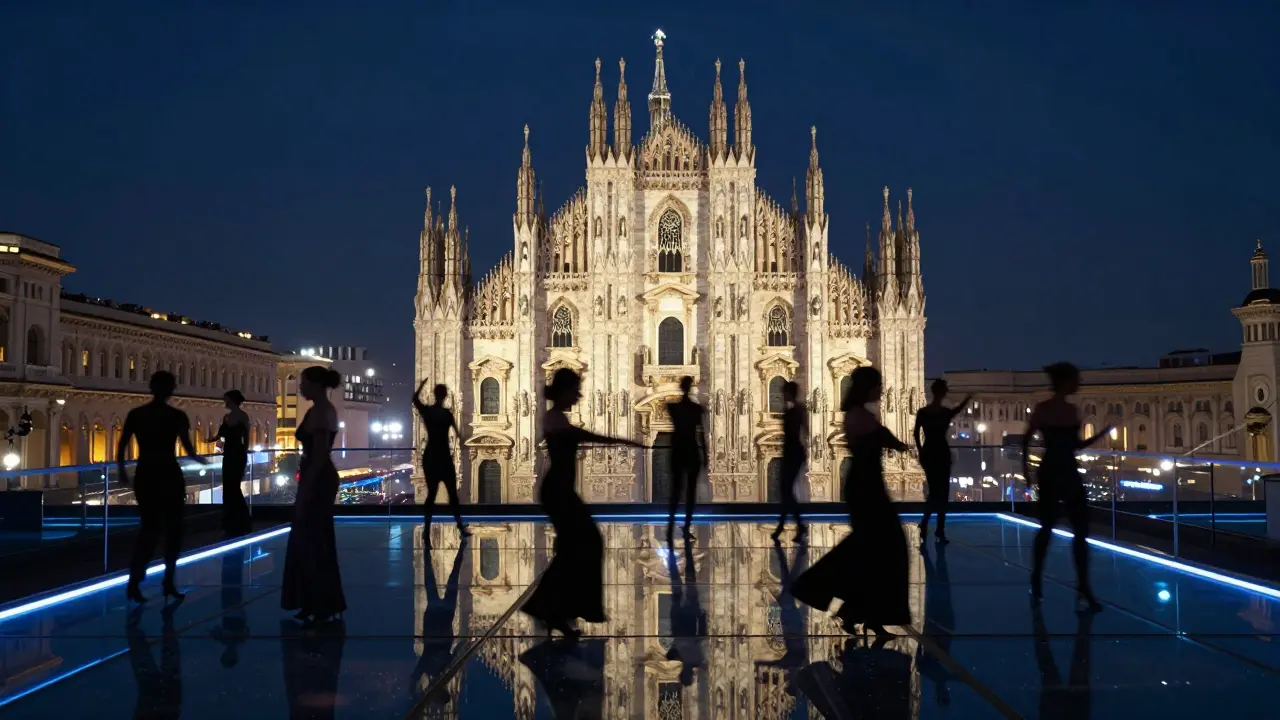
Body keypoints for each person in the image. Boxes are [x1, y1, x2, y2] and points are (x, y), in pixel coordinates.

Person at [522, 369, 645, 638]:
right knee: (584, 544)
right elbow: (584, 436)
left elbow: (583, 436)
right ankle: (550, 608)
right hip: (557, 492)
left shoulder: (558, 419)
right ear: (563, 391)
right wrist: (621, 441)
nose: (578, 395)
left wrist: (622, 441)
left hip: (561, 491)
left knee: (577, 547)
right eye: (574, 390)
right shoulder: (554, 419)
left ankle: (555, 611)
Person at [792, 366, 911, 637]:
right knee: (882, 547)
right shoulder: (858, 415)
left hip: (867, 484)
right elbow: (882, 437)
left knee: (870, 550)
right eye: (878, 385)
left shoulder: (859, 414)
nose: (881, 391)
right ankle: (843, 603)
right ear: (867, 388)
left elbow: (881, 438)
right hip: (865, 487)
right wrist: (900, 444)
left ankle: (860, 613)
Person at [1021, 362, 1110, 612]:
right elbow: (1028, 441)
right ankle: (1043, 579)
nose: (1078, 384)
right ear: (1064, 382)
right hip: (1056, 472)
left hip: (1061, 471)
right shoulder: (1052, 410)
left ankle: (1080, 586)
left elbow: (1075, 446)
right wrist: (1026, 472)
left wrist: (1101, 434)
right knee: (1052, 528)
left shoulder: (1067, 410)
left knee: (1076, 531)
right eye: (1075, 379)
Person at [118, 371, 206, 604]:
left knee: (148, 529)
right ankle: (168, 581)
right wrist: (203, 460)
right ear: (171, 389)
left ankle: (134, 581)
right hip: (169, 473)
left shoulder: (137, 414)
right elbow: (188, 449)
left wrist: (121, 471)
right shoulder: (177, 416)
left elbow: (122, 444)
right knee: (174, 530)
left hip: (146, 473)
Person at [280, 365, 347, 624]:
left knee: (312, 539)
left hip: (318, 478)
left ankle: (320, 603)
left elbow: (319, 455)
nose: (300, 387)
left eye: (304, 382)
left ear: (317, 384)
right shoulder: (320, 410)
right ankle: (315, 602)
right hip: (316, 476)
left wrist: (307, 487)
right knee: (313, 539)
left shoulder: (321, 412)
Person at [913, 379, 972, 544]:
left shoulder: (923, 412)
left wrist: (921, 450)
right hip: (941, 452)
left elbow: (916, 433)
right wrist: (968, 399)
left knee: (933, 492)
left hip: (929, 452)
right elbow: (957, 411)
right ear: (943, 392)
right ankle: (938, 530)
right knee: (942, 493)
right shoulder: (945, 412)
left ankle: (925, 524)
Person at [413, 380, 468, 535]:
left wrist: (421, 385)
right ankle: (459, 526)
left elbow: (415, 400)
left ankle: (426, 529)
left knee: (431, 493)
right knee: (452, 494)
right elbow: (458, 435)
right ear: (445, 396)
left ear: (435, 395)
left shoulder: (428, 412)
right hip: (443, 456)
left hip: (431, 455)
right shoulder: (447, 414)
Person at [666, 376, 708, 538]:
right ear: (690, 387)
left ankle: (671, 527)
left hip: (678, 451)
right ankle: (686, 527)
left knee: (676, 492)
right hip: (691, 451)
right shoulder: (696, 409)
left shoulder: (672, 407)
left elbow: (701, 433)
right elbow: (702, 435)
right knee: (690, 493)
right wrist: (705, 454)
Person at [209, 389, 252, 537]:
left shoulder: (240, 417)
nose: (225, 403)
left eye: (226, 400)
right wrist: (211, 440)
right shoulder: (229, 417)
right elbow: (220, 436)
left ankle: (238, 520)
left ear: (232, 401)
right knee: (229, 486)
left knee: (232, 486)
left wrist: (244, 452)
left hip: (236, 454)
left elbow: (246, 437)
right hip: (231, 454)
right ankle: (237, 520)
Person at [772, 380, 808, 541]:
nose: (782, 394)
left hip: (793, 451)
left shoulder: (795, 410)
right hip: (794, 451)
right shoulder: (797, 409)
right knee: (786, 491)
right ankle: (787, 526)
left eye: (785, 391)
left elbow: (799, 432)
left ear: (790, 393)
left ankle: (796, 526)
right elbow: (805, 431)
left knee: (786, 490)